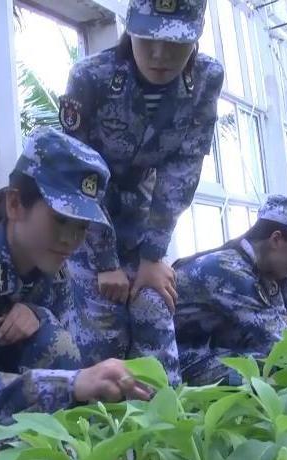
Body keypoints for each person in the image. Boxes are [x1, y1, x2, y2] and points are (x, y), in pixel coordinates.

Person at [0, 127, 151, 430]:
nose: (70, 240)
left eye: (81, 227)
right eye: (60, 219)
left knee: (55, 340)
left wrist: (40, 316)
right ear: (15, 205)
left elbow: (66, 359)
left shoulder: (55, 272)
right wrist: (73, 384)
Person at [59, 0, 224, 384]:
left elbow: (183, 168)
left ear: (196, 36)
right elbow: (79, 173)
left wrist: (153, 255)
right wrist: (105, 263)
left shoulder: (206, 78)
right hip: (84, 224)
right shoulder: (91, 77)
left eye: (175, 42)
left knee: (156, 313)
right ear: (130, 28)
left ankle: (166, 413)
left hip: (143, 224)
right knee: (101, 335)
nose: (160, 54)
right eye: (147, 38)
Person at [173, 195, 287, 385]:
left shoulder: (259, 269)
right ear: (276, 239)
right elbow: (278, 341)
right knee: (269, 366)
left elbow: (280, 322)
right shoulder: (230, 270)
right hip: (182, 359)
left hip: (209, 346)